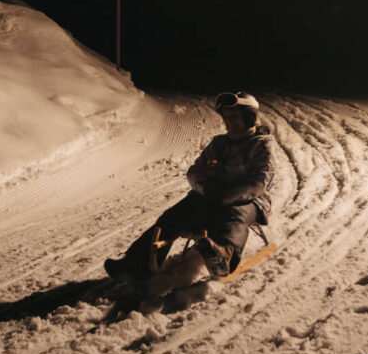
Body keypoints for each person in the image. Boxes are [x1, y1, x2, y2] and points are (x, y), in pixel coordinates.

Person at [104, 91, 277, 280]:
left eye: (234, 117)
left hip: (248, 200)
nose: (229, 122)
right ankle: (135, 263)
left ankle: (223, 258)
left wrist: (227, 195)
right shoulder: (219, 143)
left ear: (249, 117)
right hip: (211, 195)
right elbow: (194, 170)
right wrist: (203, 187)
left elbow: (260, 182)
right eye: (226, 117)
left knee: (235, 217)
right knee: (172, 217)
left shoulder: (261, 145)